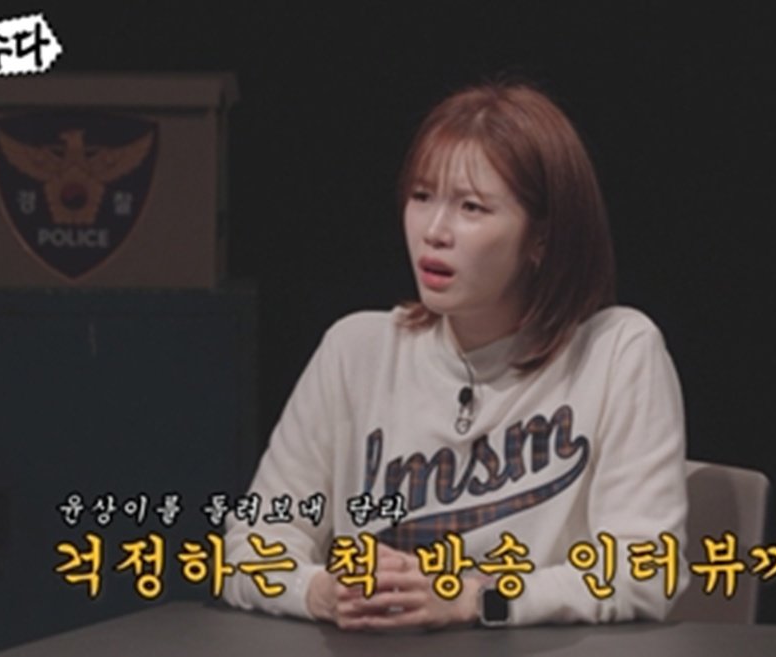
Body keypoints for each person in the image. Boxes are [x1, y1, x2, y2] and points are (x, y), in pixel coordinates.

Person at [222, 80, 688, 630]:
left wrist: (475, 599)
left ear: (542, 238)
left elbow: (644, 570)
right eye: (422, 197)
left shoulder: (615, 352)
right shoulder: (356, 351)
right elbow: (249, 548)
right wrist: (322, 592)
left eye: (471, 207)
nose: (434, 232)